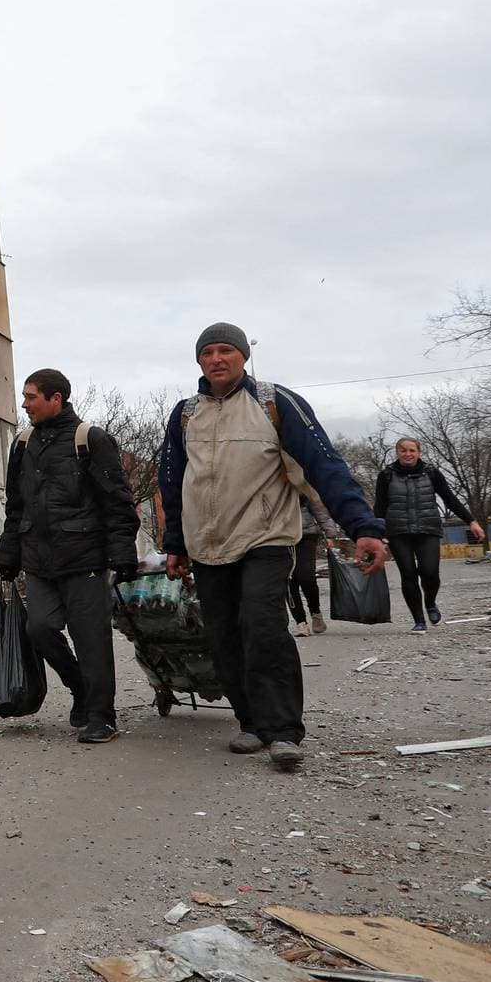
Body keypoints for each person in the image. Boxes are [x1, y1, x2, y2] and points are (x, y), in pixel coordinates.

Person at [158, 323, 389, 771]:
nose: (217, 358)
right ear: (199, 360)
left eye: (227, 350)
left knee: (263, 628)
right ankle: (251, 722)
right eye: (208, 352)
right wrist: (176, 544)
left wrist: (362, 525)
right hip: (207, 543)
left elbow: (325, 465)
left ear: (243, 356)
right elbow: (172, 481)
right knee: (224, 636)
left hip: (265, 536)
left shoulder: (273, 402)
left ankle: (283, 731)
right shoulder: (186, 413)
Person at [0, 369, 140, 743]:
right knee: (38, 628)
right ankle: (80, 688)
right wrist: (8, 554)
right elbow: (16, 506)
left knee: (91, 637)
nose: (24, 404)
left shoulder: (90, 439)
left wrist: (122, 552)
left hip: (85, 559)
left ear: (55, 398)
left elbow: (118, 503)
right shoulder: (22, 444)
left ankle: (101, 716)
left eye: (31, 397)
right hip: (39, 560)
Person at [375, 436, 487, 632]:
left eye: (412, 450)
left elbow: (450, 499)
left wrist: (471, 521)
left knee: (430, 572)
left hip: (428, 529)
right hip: (398, 532)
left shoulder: (432, 473)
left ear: (419, 452)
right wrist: (378, 535)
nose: (408, 454)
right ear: (397, 453)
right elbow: (380, 507)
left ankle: (430, 603)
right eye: (403, 450)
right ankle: (419, 620)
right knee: (408, 574)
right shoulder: (386, 475)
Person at [287, 491, 337, 637]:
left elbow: (319, 510)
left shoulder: (301, 485)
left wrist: (330, 534)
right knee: (288, 580)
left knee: (306, 576)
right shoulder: (267, 485)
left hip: (305, 535)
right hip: (279, 538)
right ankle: (300, 623)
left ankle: (315, 612)